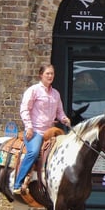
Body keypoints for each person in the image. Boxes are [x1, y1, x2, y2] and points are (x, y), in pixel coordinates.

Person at [13, 64, 71, 194]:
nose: (50, 76)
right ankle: (18, 183)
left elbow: (59, 112)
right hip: (36, 131)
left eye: (52, 74)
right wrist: (29, 127)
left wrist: (64, 119)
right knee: (33, 152)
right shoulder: (33, 90)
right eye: (47, 74)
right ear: (41, 75)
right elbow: (24, 109)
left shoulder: (56, 94)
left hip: (50, 131)